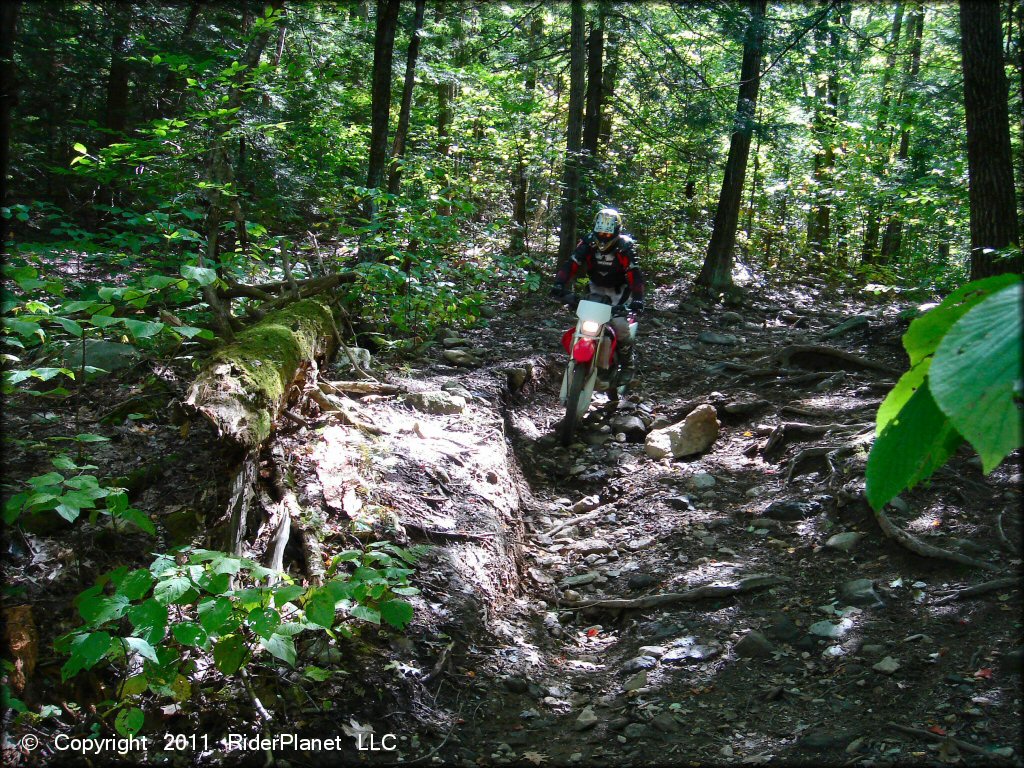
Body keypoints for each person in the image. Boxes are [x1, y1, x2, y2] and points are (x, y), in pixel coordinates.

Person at [549, 207, 646, 382]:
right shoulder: (588, 243)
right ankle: (581, 355)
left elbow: (635, 275)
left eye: (607, 234)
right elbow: (572, 264)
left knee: (620, 325)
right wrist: (559, 284)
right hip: (595, 288)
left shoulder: (624, 247)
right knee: (584, 321)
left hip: (619, 291)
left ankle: (628, 364)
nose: (603, 237)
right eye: (600, 232)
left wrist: (638, 299)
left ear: (616, 231)